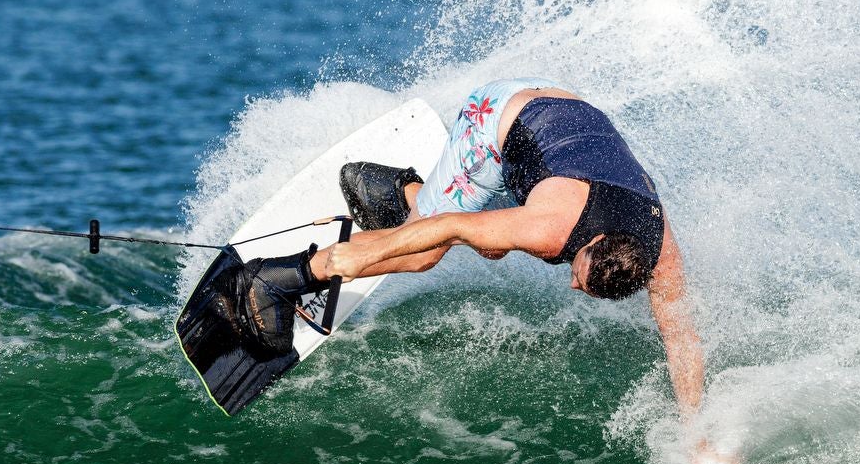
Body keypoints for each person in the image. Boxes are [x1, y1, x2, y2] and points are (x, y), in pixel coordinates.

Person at [239, 79, 712, 428]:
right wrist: (351, 261)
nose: (571, 282)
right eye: (579, 273)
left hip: (565, 117)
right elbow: (451, 227)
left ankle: (403, 193)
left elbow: (682, 340)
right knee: (427, 251)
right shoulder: (550, 228)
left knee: (492, 248)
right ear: (591, 243)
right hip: (496, 119)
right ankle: (278, 278)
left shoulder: (659, 249)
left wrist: (696, 433)